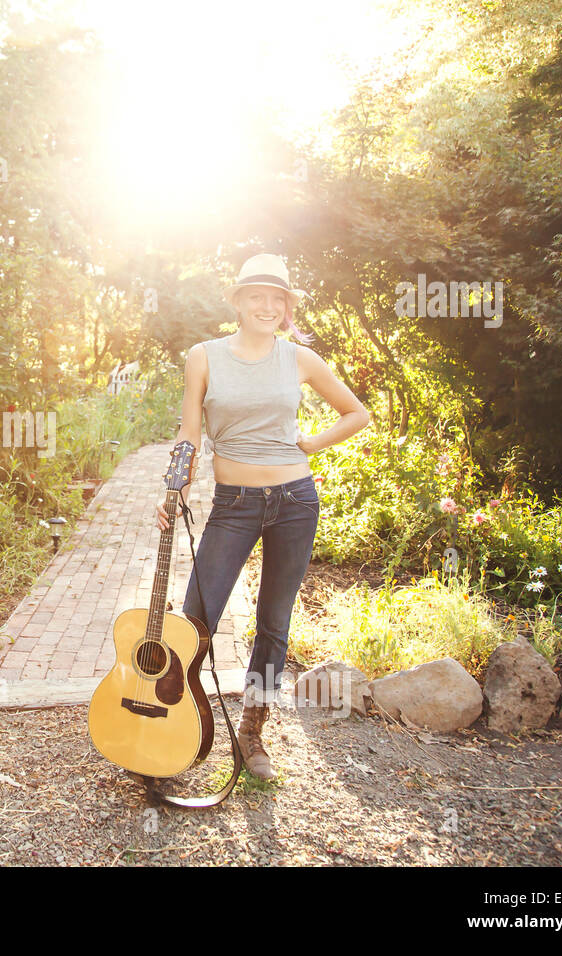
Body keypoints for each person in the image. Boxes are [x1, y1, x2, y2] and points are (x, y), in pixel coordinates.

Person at [155, 252, 370, 779]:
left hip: (295, 503)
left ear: (288, 306)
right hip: (234, 505)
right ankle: (170, 723)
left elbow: (358, 412)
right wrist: (172, 487)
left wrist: (312, 443)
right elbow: (190, 432)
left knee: (275, 623)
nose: (268, 306)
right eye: (258, 296)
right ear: (238, 301)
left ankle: (251, 733)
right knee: (196, 617)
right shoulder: (203, 356)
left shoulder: (299, 358)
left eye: (278, 298)